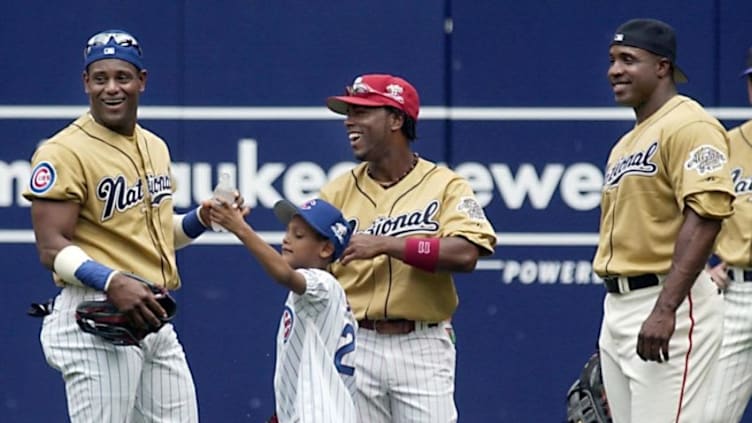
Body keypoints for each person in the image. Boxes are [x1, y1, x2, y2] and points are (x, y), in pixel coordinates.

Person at [23, 30, 227, 422]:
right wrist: (111, 279)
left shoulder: (155, 146)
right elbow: (51, 247)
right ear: (86, 83)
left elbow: (150, 235)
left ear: (142, 81)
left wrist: (202, 219)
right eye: (100, 78)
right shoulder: (63, 150)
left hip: (150, 315)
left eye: (122, 77)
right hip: (94, 312)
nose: (111, 88)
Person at [320, 73, 497, 423]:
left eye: (362, 112)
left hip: (421, 343)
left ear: (396, 119)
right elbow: (309, 270)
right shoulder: (336, 192)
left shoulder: (445, 185)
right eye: (349, 112)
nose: (349, 122)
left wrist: (387, 245)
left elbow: (465, 254)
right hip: (355, 341)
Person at [592, 18, 736, 422]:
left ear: (662, 66)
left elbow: (706, 215)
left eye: (628, 59)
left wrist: (665, 308)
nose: (614, 70)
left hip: (669, 299)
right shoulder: (627, 141)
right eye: (612, 59)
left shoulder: (690, 125)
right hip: (622, 305)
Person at [208, 198, 358, 423]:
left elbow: (283, 275)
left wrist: (239, 227)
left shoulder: (322, 284)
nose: (287, 239)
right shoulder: (327, 296)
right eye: (288, 231)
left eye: (299, 236)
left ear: (326, 248)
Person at [701, 46, 752, 423]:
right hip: (738, 293)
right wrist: (701, 270)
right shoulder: (726, 145)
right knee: (708, 417)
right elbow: (683, 213)